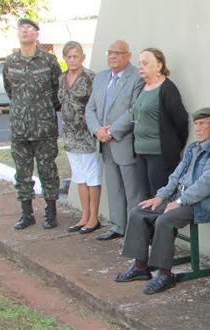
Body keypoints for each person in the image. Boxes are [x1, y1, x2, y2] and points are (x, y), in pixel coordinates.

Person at [114, 107, 210, 294]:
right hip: (179, 198)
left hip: (200, 204)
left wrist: (180, 201)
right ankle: (141, 267)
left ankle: (165, 274)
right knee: (139, 212)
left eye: (202, 124)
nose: (197, 129)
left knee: (165, 220)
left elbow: (207, 184)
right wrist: (160, 197)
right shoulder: (193, 148)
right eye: (196, 125)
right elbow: (175, 177)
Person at [85, 40, 148, 241]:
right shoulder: (101, 77)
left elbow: (134, 110)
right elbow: (90, 108)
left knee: (132, 191)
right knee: (113, 187)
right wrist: (97, 130)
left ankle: (135, 231)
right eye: (110, 52)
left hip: (123, 141)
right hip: (104, 142)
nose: (112, 56)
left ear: (128, 55)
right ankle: (118, 226)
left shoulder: (137, 77)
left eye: (117, 53)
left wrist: (111, 131)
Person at [3, 18, 62, 230]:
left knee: (48, 170)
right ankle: (27, 213)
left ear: (37, 34)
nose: (25, 31)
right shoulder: (10, 62)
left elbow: (58, 90)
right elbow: (11, 91)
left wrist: (45, 110)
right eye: (21, 28)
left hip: (44, 128)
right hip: (20, 128)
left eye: (29, 28)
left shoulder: (48, 60)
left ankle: (50, 212)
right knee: (22, 173)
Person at [59, 41, 102, 234]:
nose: (72, 60)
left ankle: (94, 217)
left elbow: (97, 106)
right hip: (70, 136)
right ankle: (84, 215)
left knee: (92, 177)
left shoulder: (90, 77)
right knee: (79, 177)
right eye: (68, 56)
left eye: (76, 56)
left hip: (87, 135)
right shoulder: (62, 78)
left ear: (83, 57)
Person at [133, 48, 188, 197]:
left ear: (159, 65)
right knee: (145, 198)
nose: (140, 66)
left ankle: (158, 222)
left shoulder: (167, 89)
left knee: (158, 199)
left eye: (145, 63)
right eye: (139, 63)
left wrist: (175, 145)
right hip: (141, 153)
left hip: (159, 155)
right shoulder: (142, 87)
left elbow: (181, 122)